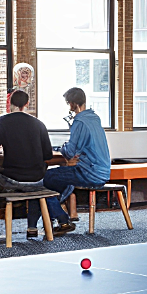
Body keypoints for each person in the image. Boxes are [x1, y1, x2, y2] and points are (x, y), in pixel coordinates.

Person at [0, 89, 52, 243]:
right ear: (27, 104)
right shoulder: (39, 124)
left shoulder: (1, 122)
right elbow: (48, 155)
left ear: (9, 102)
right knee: (32, 186)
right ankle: (32, 227)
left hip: (11, 178)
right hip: (37, 180)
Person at [34, 87, 111, 235]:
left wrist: (61, 147)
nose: (68, 106)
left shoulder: (79, 122)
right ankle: (59, 219)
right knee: (59, 178)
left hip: (90, 173)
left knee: (46, 178)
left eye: (69, 103)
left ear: (73, 104)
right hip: (103, 171)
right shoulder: (94, 118)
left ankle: (62, 218)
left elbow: (69, 153)